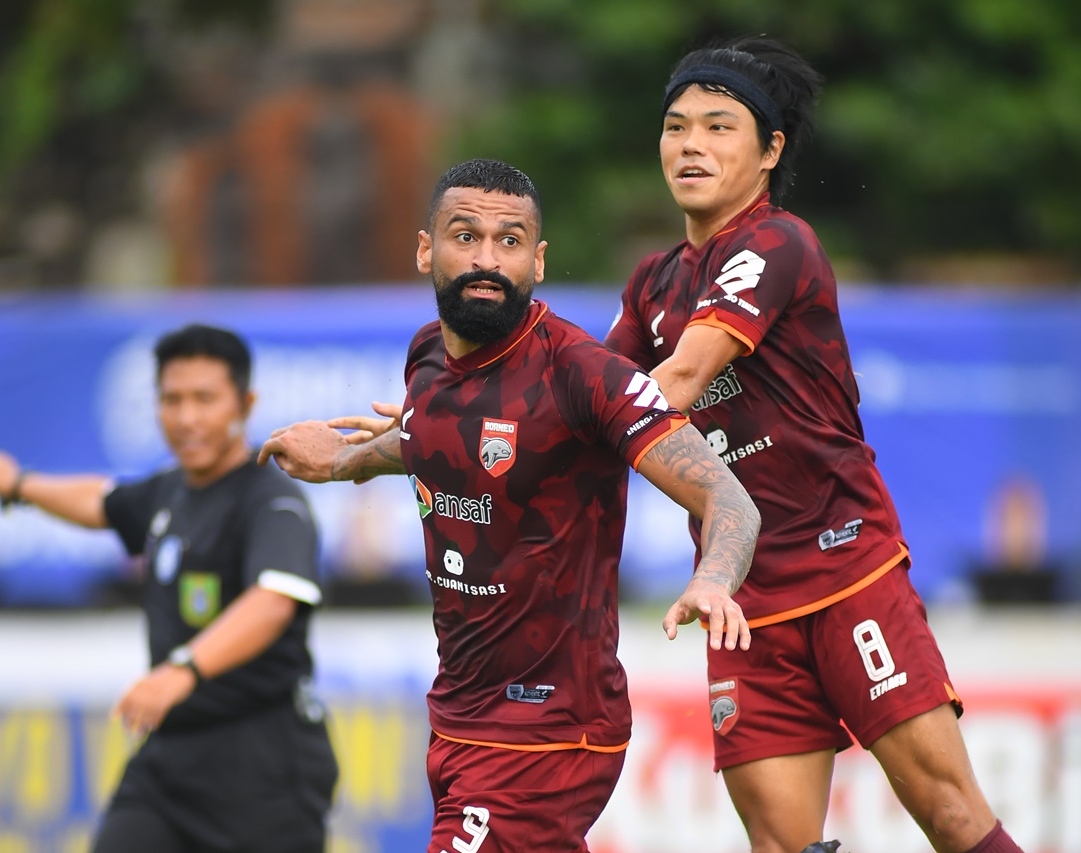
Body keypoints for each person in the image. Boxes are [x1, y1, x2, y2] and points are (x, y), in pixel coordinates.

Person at [258, 158, 762, 853]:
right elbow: (441, 438)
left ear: (539, 261)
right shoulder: (427, 355)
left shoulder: (582, 374)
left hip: (549, 726)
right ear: (426, 249)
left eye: (510, 240)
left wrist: (714, 577)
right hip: (460, 717)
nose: (487, 260)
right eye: (466, 236)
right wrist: (345, 461)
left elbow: (727, 497)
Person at [603, 37, 1025, 853]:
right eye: (676, 125)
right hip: (744, 603)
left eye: (718, 126)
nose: (690, 144)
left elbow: (676, 380)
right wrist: (433, 431)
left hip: (845, 571)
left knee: (951, 814)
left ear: (770, 151)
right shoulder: (652, 283)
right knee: (783, 846)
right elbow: (587, 400)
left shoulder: (776, 243)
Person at [0, 324, 337, 853]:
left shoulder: (271, 501)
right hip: (171, 759)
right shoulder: (170, 491)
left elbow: (273, 601)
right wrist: (21, 486)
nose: (186, 418)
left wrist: (182, 670)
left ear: (245, 404)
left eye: (204, 399)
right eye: (171, 400)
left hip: (264, 763)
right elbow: (101, 501)